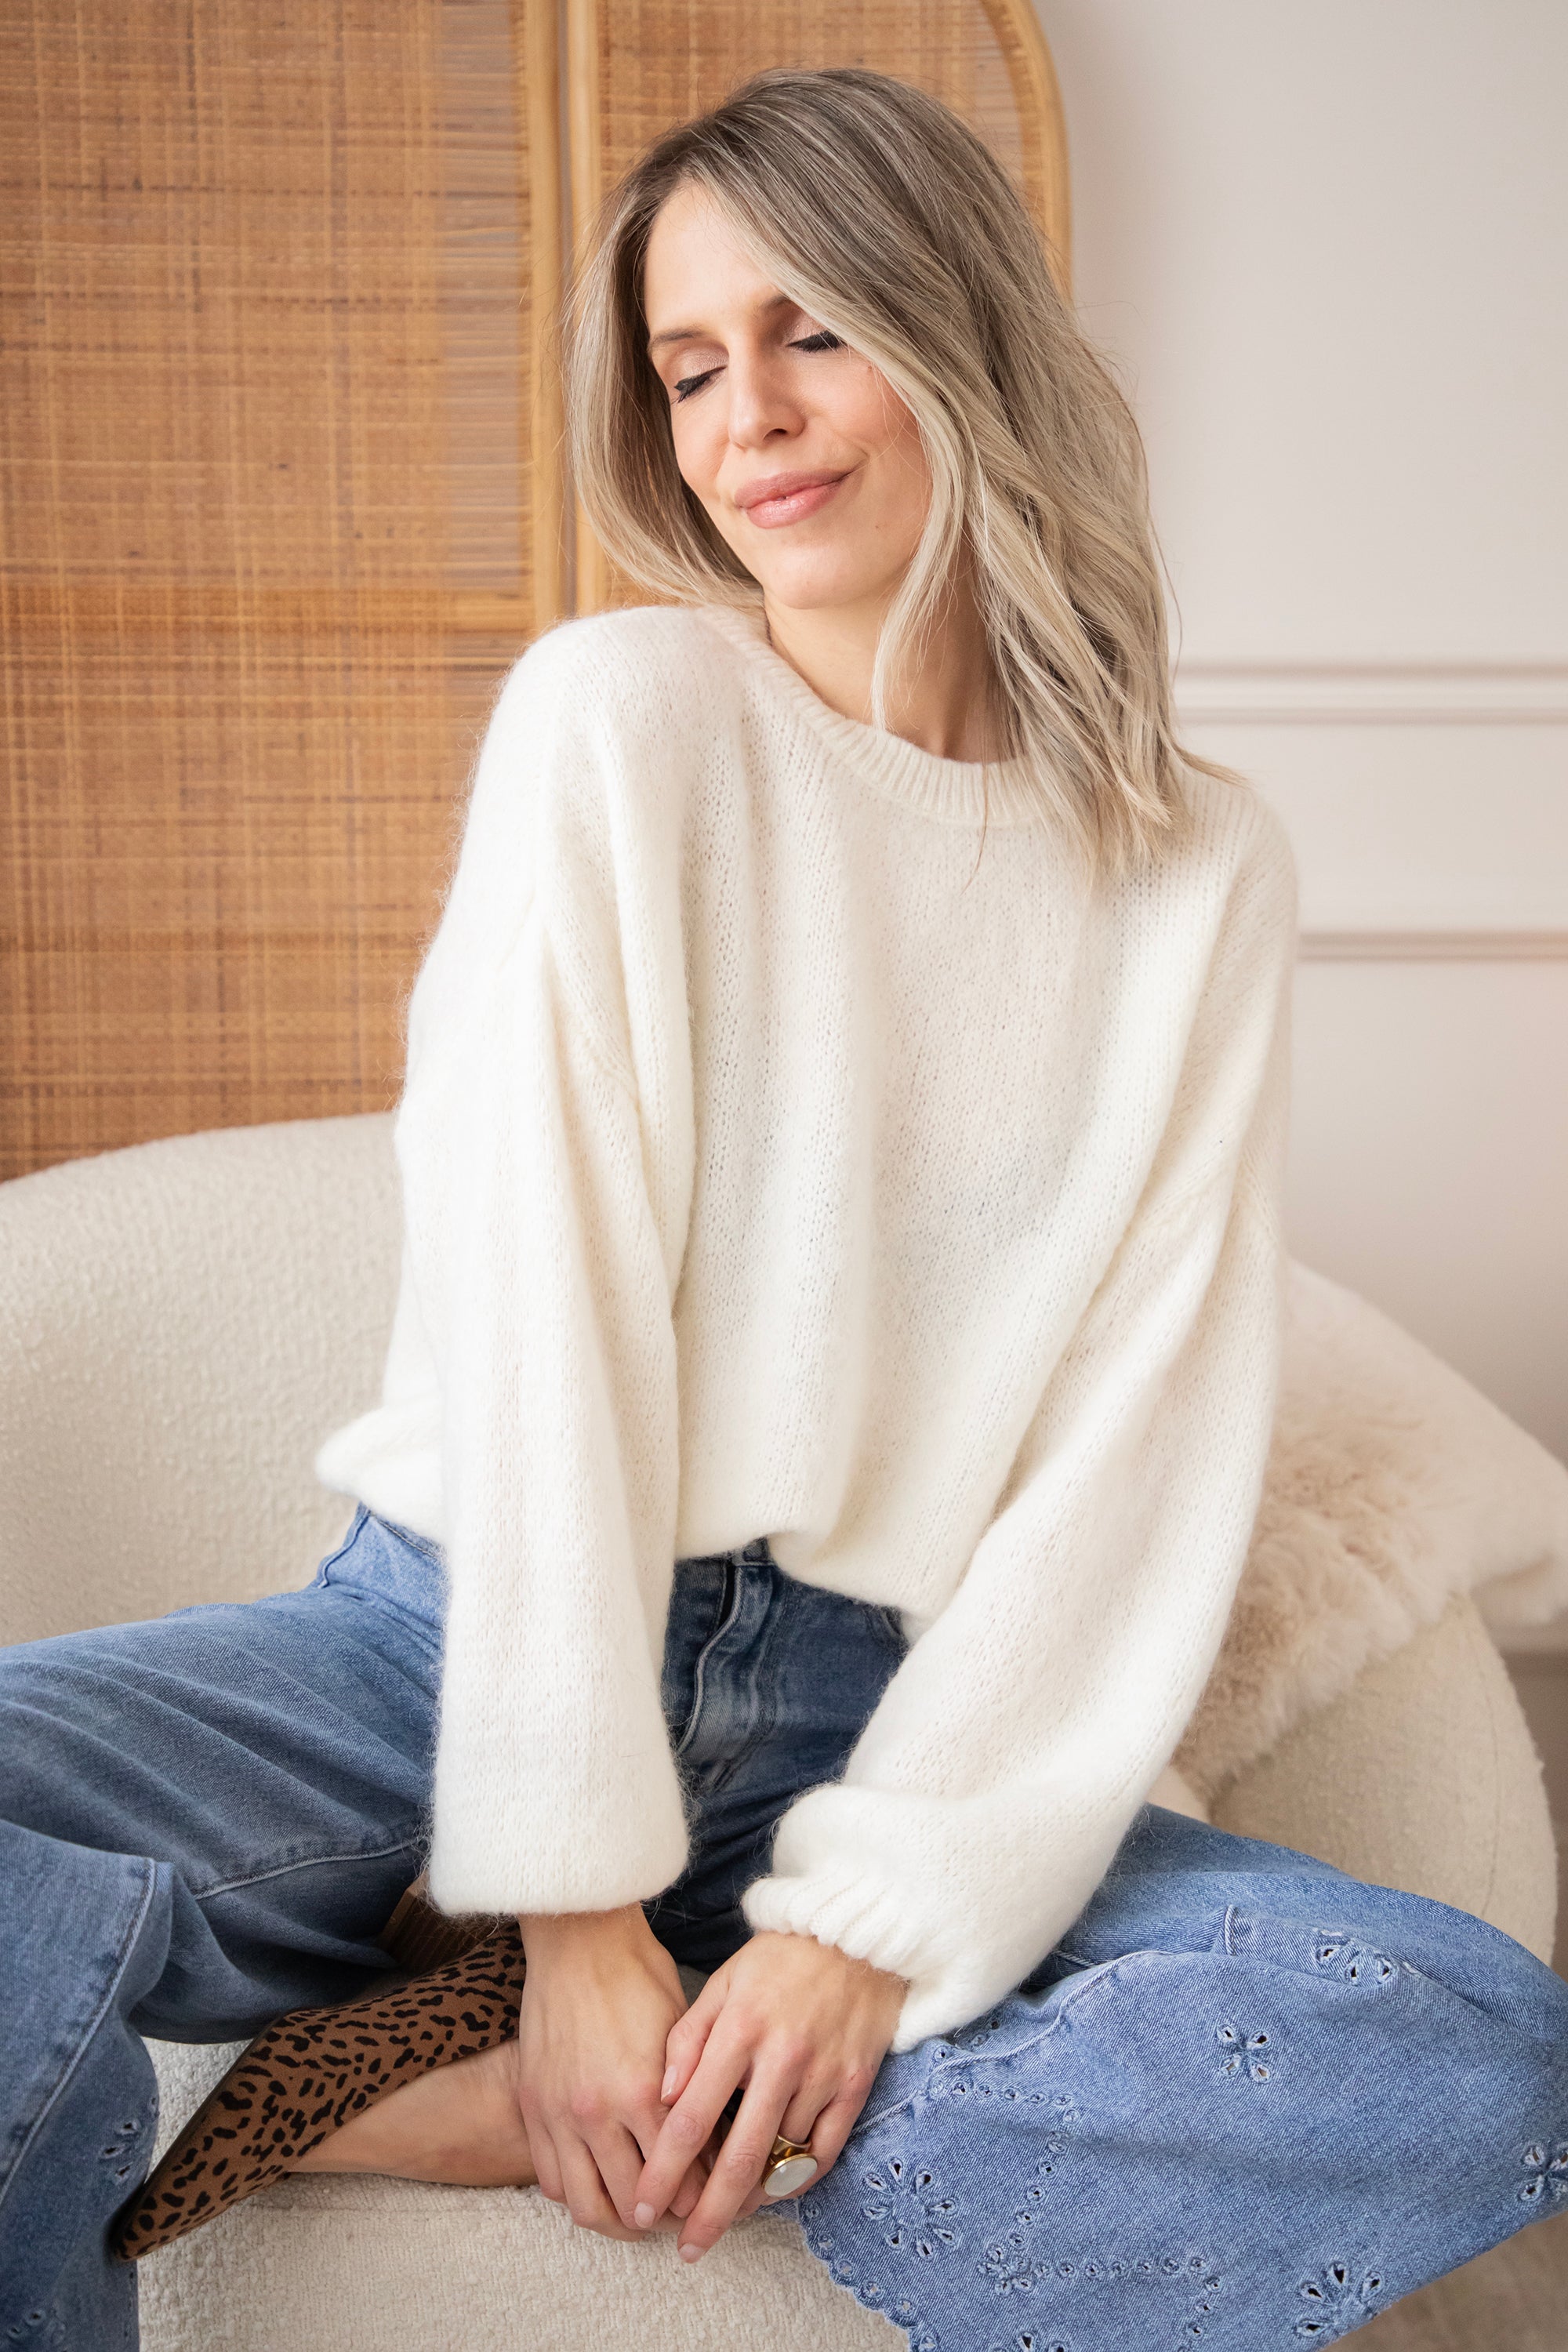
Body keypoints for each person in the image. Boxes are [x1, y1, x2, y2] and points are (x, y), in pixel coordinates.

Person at [3, 67, 1565, 2351]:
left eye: (811, 328)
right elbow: (542, 1320)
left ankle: (519, 2087)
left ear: (959, 336)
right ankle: (524, 2032)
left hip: (871, 1727)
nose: (747, 418)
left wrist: (868, 1926)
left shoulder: (1198, 868)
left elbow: (1135, 1453)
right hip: (439, 1667)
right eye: (689, 366)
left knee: (1471, 2043)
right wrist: (571, 1908)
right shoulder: (622, 720)